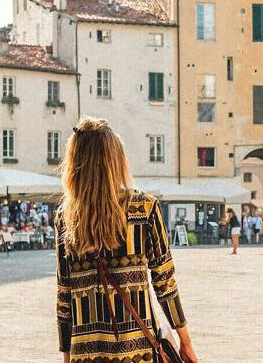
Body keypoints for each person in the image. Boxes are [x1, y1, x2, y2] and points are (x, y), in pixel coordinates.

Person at [55, 117, 197, 363]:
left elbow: (64, 295)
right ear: (117, 160)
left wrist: (67, 355)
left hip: (85, 354)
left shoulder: (66, 217)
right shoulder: (144, 208)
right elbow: (165, 283)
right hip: (137, 353)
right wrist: (185, 342)